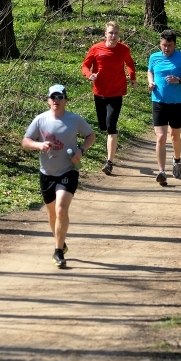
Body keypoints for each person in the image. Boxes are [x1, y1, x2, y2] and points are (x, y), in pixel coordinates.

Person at [22, 85, 96, 269]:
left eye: (59, 97)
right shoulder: (40, 120)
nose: (56, 100)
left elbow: (91, 136)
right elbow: (25, 141)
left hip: (68, 170)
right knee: (52, 213)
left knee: (62, 209)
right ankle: (61, 242)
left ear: (65, 99)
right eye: (52, 97)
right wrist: (39, 146)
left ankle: (57, 251)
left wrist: (81, 150)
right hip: (47, 173)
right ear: (48, 100)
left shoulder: (74, 119)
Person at [81, 20, 137, 176]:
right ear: (105, 34)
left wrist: (132, 78)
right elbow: (85, 65)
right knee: (103, 126)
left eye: (116, 33)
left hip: (117, 92)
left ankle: (109, 162)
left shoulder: (123, 49)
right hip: (99, 92)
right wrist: (89, 74)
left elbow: (130, 64)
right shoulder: (96, 48)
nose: (113, 36)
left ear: (119, 35)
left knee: (111, 126)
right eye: (110, 33)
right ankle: (110, 137)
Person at [146, 29, 181, 186]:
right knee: (161, 137)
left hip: (176, 103)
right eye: (163, 45)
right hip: (158, 101)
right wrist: (150, 82)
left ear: (174, 44)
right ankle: (162, 171)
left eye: (169, 45)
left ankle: (176, 159)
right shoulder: (154, 57)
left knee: (174, 136)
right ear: (160, 44)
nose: (166, 48)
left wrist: (180, 80)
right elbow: (150, 71)